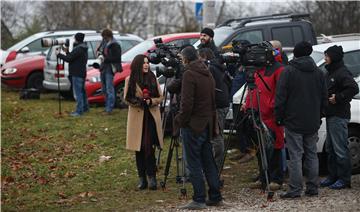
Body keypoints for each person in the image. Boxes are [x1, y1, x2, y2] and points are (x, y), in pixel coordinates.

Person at [275, 41, 328, 198]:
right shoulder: (318, 72)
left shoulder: (288, 71)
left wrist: (279, 117)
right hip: (312, 120)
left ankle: (295, 189)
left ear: (296, 53)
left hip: (293, 120)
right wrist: (320, 115)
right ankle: (312, 187)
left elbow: (280, 98)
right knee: (312, 154)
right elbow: (324, 96)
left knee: (296, 155)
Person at [175, 47, 223, 210]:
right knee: (208, 161)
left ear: (186, 59)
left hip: (194, 125)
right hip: (207, 124)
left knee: (194, 162)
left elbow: (187, 103)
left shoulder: (189, 74)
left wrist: (180, 120)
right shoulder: (207, 72)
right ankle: (216, 196)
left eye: (182, 58)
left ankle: (199, 198)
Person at [241, 41, 285, 191]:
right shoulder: (258, 69)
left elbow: (281, 93)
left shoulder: (279, 69)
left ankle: (276, 179)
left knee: (275, 146)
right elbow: (252, 89)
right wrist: (247, 105)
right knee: (260, 147)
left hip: (271, 115)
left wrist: (272, 107)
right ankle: (263, 177)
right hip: (257, 113)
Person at [320, 45, 359, 189]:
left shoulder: (342, 72)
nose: (325, 59)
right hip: (331, 116)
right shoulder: (330, 72)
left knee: (340, 149)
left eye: (327, 56)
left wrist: (339, 97)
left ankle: (344, 179)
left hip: (339, 115)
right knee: (330, 148)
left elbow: (354, 88)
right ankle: (333, 176)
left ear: (333, 57)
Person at [124, 54, 164, 190]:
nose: (146, 65)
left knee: (149, 147)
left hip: (151, 118)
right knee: (139, 149)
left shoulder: (153, 78)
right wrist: (140, 102)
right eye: (143, 63)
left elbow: (160, 96)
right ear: (137, 65)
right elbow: (127, 98)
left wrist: (151, 101)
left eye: (147, 63)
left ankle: (152, 177)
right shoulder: (130, 79)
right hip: (137, 119)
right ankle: (142, 179)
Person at [198, 48, 230, 173]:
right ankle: (216, 165)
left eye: (199, 58)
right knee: (218, 134)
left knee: (217, 135)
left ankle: (216, 166)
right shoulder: (219, 66)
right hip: (223, 102)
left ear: (204, 56)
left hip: (218, 104)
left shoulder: (211, 68)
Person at [57, 33, 89, 117]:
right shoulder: (83, 47)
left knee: (78, 93)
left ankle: (79, 111)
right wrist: (67, 52)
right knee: (82, 92)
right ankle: (85, 108)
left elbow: (68, 59)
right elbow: (72, 57)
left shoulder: (79, 49)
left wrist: (59, 55)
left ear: (76, 39)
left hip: (77, 73)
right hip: (81, 72)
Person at [99, 28, 122, 114]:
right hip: (103, 67)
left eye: (104, 37)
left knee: (109, 89)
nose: (104, 39)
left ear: (108, 36)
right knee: (104, 89)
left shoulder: (115, 44)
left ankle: (109, 109)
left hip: (110, 68)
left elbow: (117, 58)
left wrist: (105, 59)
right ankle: (107, 107)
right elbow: (102, 52)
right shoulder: (105, 43)